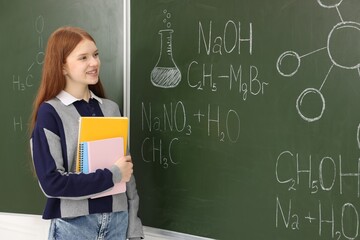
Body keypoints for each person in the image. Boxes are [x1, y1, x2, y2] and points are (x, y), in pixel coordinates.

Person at [29, 26, 144, 239]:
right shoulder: (50, 113)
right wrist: (112, 175)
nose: (94, 63)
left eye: (96, 55)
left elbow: (127, 173)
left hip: (118, 222)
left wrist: (134, 226)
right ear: (62, 66)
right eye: (83, 57)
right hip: (75, 227)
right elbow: (52, 183)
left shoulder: (110, 109)